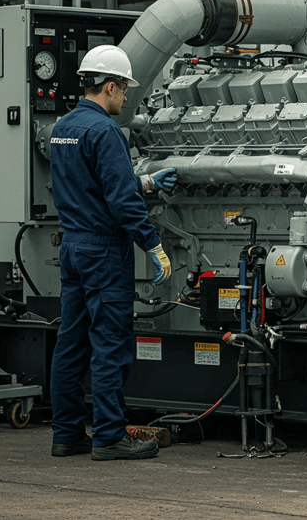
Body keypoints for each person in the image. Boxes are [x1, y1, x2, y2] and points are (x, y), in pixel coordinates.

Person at [48, 45, 178, 461]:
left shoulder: (63, 127)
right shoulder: (105, 132)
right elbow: (120, 201)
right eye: (124, 90)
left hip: (73, 246)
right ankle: (108, 435)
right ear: (109, 86)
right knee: (109, 344)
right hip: (104, 252)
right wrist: (153, 244)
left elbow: (90, 187)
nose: (126, 99)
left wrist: (146, 183)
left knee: (70, 343)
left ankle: (67, 434)